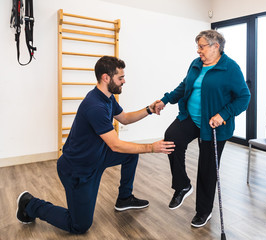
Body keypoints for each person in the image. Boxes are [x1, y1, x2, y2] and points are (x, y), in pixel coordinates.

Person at [16, 56, 175, 234]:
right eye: (120, 78)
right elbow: (115, 145)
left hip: (97, 157)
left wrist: (148, 110)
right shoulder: (95, 106)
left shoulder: (108, 98)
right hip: (77, 169)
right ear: (106, 77)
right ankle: (30, 204)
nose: (124, 81)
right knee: (79, 225)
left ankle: (124, 198)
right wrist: (151, 148)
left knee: (131, 154)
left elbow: (125, 119)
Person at [155, 30, 251, 228]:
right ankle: (182, 185)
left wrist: (223, 114)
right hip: (190, 117)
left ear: (216, 46)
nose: (198, 51)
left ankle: (203, 211)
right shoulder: (196, 63)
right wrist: (165, 100)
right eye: (198, 46)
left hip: (213, 125)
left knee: (207, 169)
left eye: (202, 46)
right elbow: (185, 86)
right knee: (171, 138)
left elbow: (244, 97)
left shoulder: (230, 68)